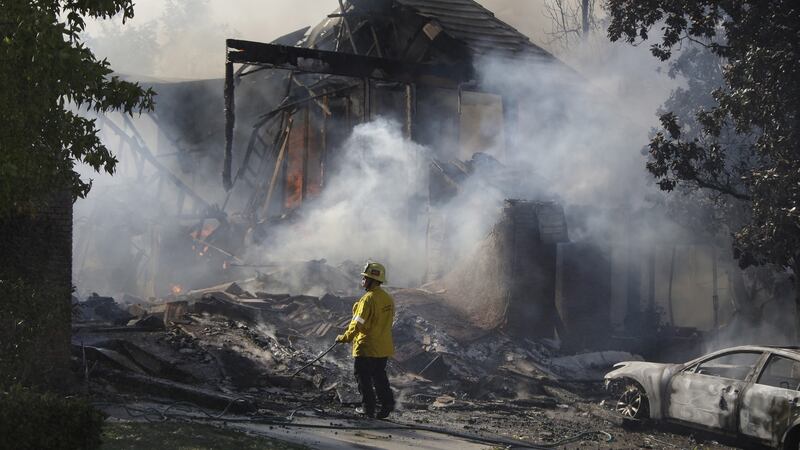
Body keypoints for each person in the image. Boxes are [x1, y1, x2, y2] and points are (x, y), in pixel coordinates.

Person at [336, 261, 395, 419]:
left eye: (365, 278)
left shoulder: (367, 300)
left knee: (363, 379)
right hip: (383, 347)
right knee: (379, 377)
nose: (362, 281)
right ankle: (387, 404)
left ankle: (368, 409)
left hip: (367, 346)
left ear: (372, 280)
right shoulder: (387, 299)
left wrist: (345, 337)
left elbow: (357, 324)